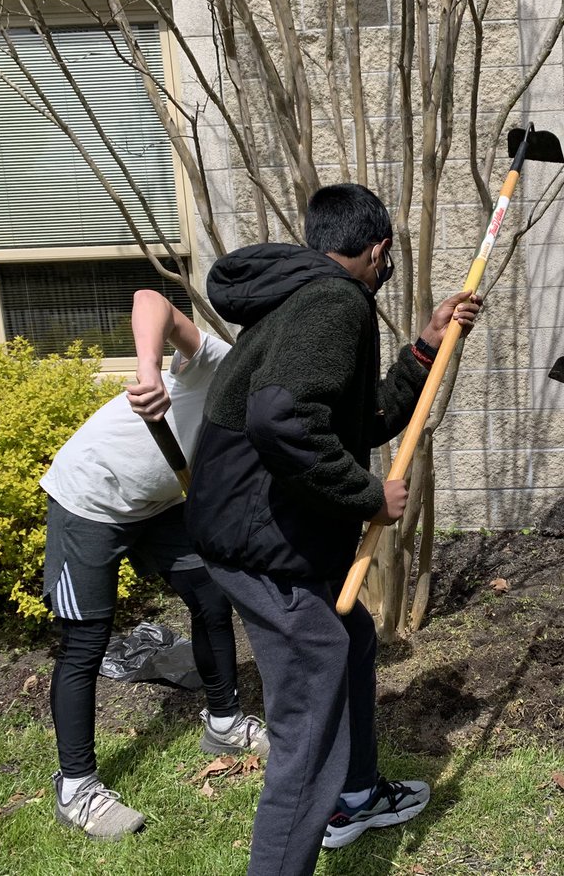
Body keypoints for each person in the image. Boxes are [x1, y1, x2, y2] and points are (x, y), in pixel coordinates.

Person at [183, 183, 483, 876]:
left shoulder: (305, 295)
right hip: (261, 540)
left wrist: (423, 351)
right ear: (377, 248)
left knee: (347, 637)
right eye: (388, 256)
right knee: (310, 713)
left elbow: (354, 421)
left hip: (250, 526)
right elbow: (281, 421)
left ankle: (357, 796)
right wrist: (367, 494)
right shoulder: (331, 303)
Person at [40, 289, 268, 841]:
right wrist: (148, 372)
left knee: (212, 597)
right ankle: (77, 788)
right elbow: (149, 299)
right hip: (90, 497)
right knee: (85, 642)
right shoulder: (220, 362)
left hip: (163, 504)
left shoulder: (280, 402)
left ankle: (223, 722)